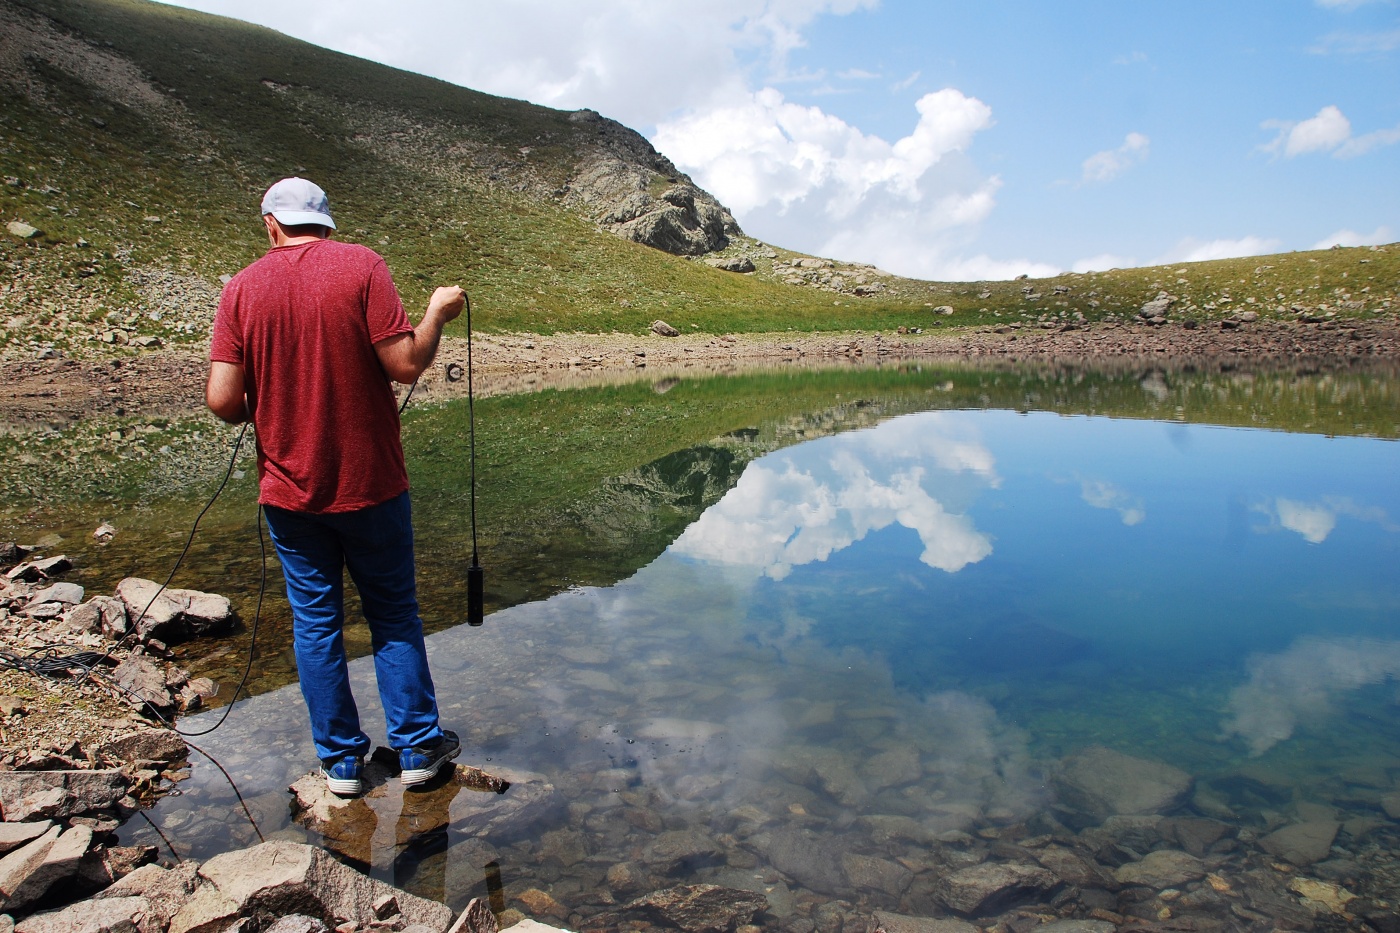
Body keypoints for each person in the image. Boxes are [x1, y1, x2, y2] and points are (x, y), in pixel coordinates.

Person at [206, 176, 465, 796]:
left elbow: (222, 400)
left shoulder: (241, 288)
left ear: (271, 224)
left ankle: (342, 764)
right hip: (373, 485)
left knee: (316, 623)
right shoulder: (363, 266)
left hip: (291, 494)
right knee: (395, 614)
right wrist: (434, 313)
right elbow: (405, 364)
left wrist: (268, 410)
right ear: (326, 222)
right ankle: (417, 750)